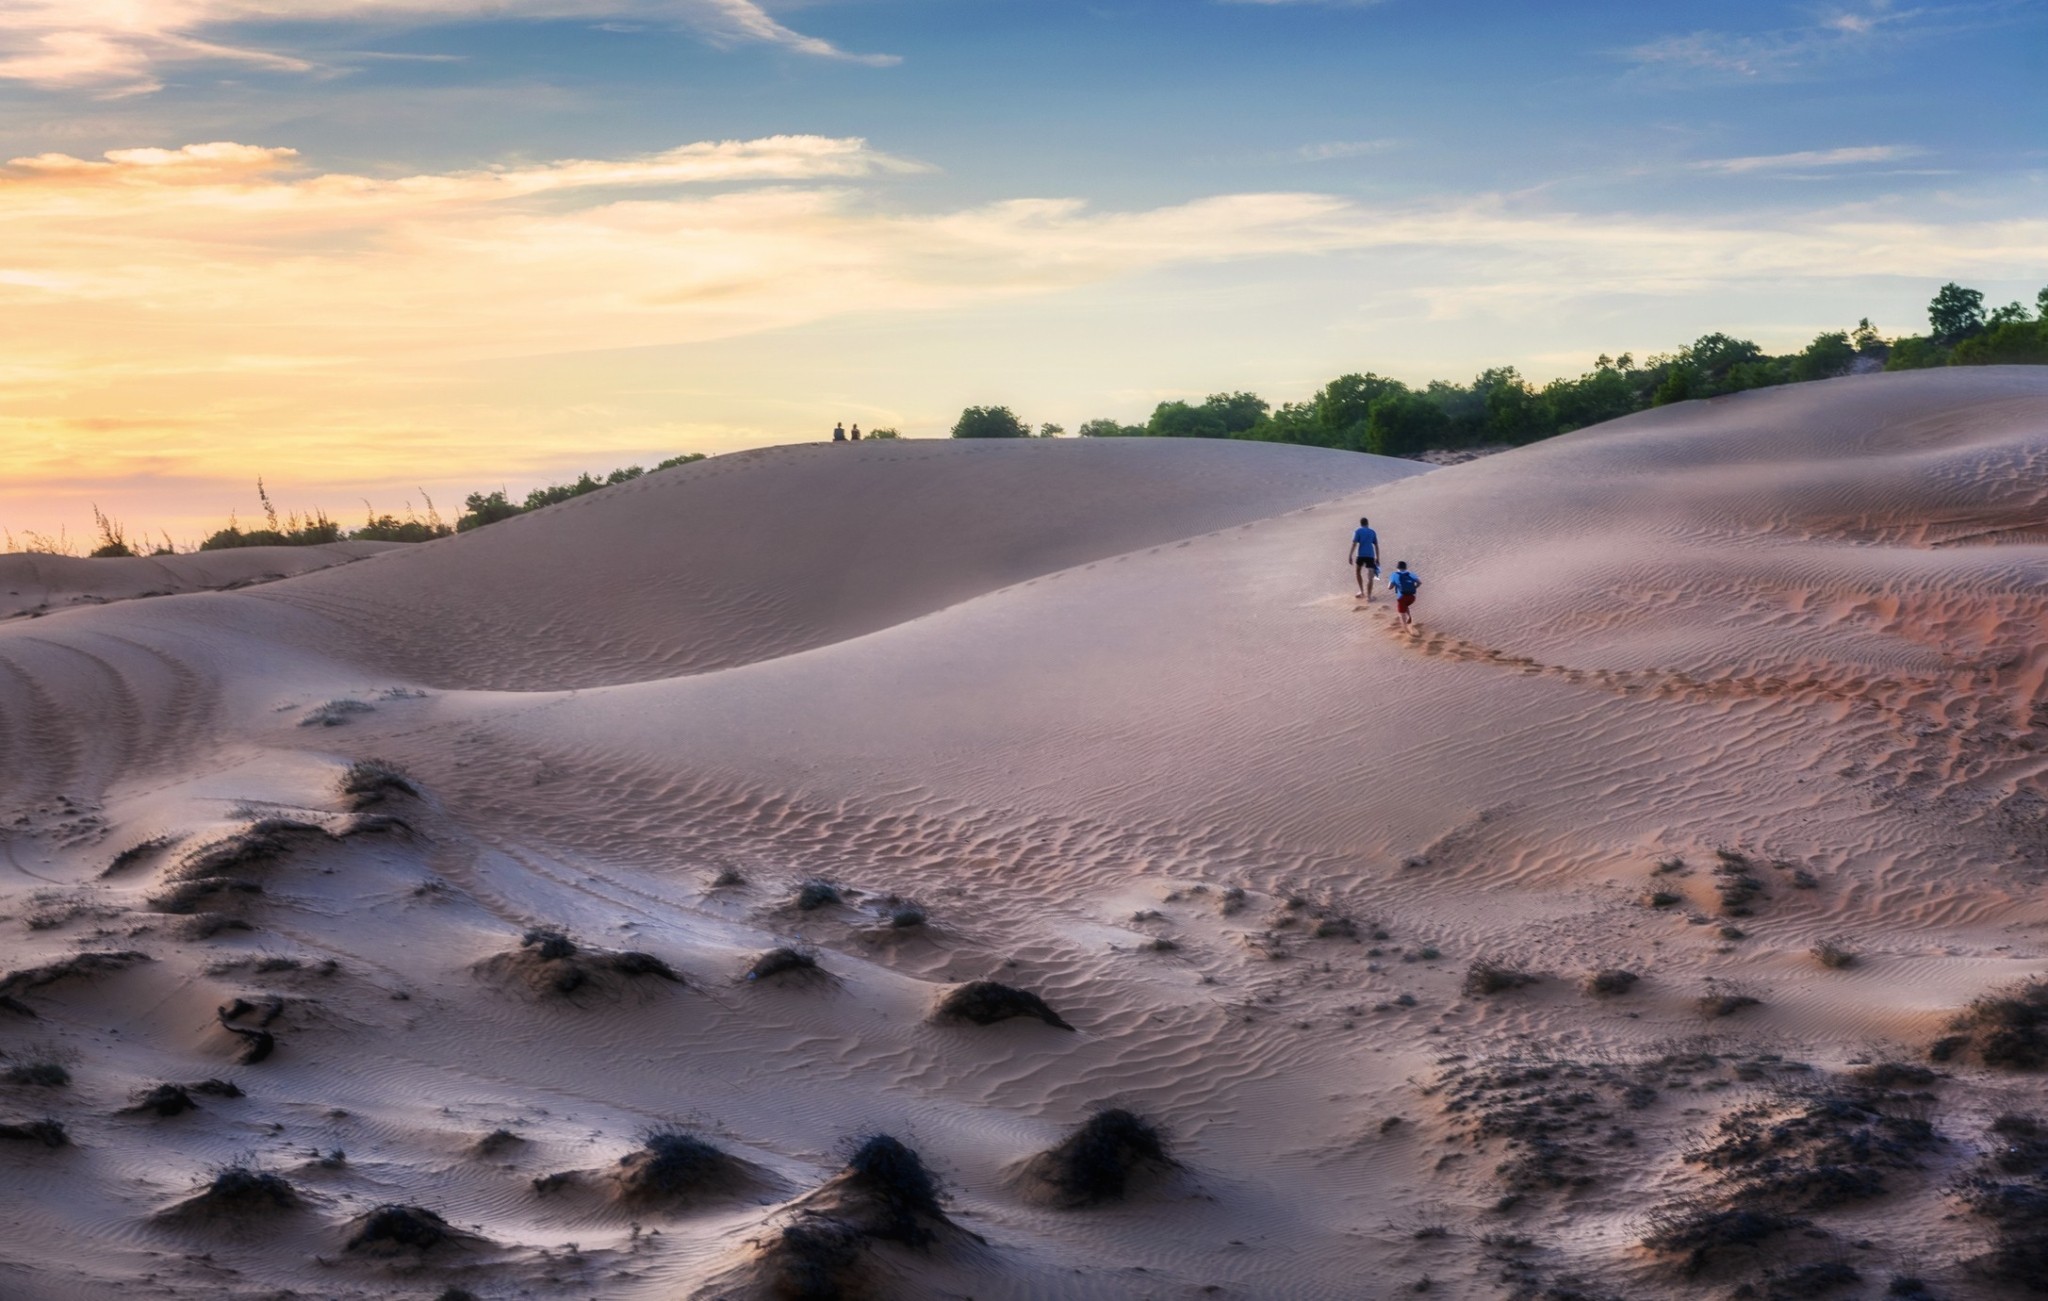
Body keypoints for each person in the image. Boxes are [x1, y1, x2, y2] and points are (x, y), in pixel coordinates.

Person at [1348, 516, 1380, 599]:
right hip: (1370, 555)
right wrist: (1378, 558)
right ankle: (1369, 596)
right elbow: (1376, 545)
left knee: (1358, 572)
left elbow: (1354, 544)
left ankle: (1362, 591)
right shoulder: (1372, 532)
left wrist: (1350, 555)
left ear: (1361, 524)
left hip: (1360, 555)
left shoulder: (1358, 531)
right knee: (1370, 576)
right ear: (1367, 523)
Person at [1388, 560, 1421, 628]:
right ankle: (1408, 616)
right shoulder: (1411, 574)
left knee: (1402, 613)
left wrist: (1396, 584)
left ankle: (1406, 628)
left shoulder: (1394, 575)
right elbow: (1419, 582)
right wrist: (1414, 587)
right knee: (1405, 605)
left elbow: (1389, 587)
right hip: (1412, 597)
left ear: (1397, 567)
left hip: (1402, 597)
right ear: (1406, 568)